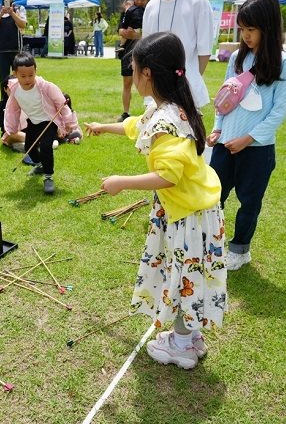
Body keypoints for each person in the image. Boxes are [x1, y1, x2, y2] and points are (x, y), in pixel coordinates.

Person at [85, 32, 226, 370]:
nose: (132, 77)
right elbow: (138, 126)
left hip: (188, 215)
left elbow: (169, 176)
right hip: (193, 208)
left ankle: (180, 346)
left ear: (146, 73)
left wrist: (122, 183)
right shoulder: (173, 108)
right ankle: (190, 336)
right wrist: (104, 127)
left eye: (133, 69)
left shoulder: (165, 119)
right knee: (186, 273)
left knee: (182, 276)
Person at [205, 0, 286, 270]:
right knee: (213, 196)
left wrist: (248, 139)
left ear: (268, 28)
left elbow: (279, 112)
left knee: (249, 202)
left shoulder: (283, 63)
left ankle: (240, 250)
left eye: (251, 30)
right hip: (225, 145)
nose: (245, 36)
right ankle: (210, 242)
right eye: (242, 29)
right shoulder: (236, 59)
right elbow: (223, 100)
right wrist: (218, 128)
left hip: (257, 150)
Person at [142, 0, 214, 109]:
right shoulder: (151, 6)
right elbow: (145, 50)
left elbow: (204, 53)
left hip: (187, 94)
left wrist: (186, 83)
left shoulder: (198, 1)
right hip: (155, 94)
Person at [4, 52, 76, 195]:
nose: (28, 79)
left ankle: (48, 176)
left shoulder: (45, 86)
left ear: (35, 71)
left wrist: (68, 122)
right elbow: (13, 110)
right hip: (33, 121)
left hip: (49, 121)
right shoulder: (15, 90)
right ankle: (39, 165)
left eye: (31, 75)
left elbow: (61, 103)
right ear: (15, 74)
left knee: (45, 147)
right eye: (23, 76)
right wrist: (11, 128)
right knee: (29, 147)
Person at [118, 0, 149, 122]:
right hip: (128, 52)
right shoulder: (129, 11)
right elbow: (121, 30)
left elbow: (152, 32)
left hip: (145, 51)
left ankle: (151, 112)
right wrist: (128, 34)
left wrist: (137, 35)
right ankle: (125, 113)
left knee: (147, 82)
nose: (140, 1)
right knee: (127, 82)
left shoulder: (151, 11)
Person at [0, 74, 26, 152]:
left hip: (27, 132)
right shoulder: (0, 106)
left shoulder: (26, 102)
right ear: (5, 89)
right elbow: (6, 129)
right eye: (11, 89)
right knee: (11, 135)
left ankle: (26, 145)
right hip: (11, 134)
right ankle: (35, 143)